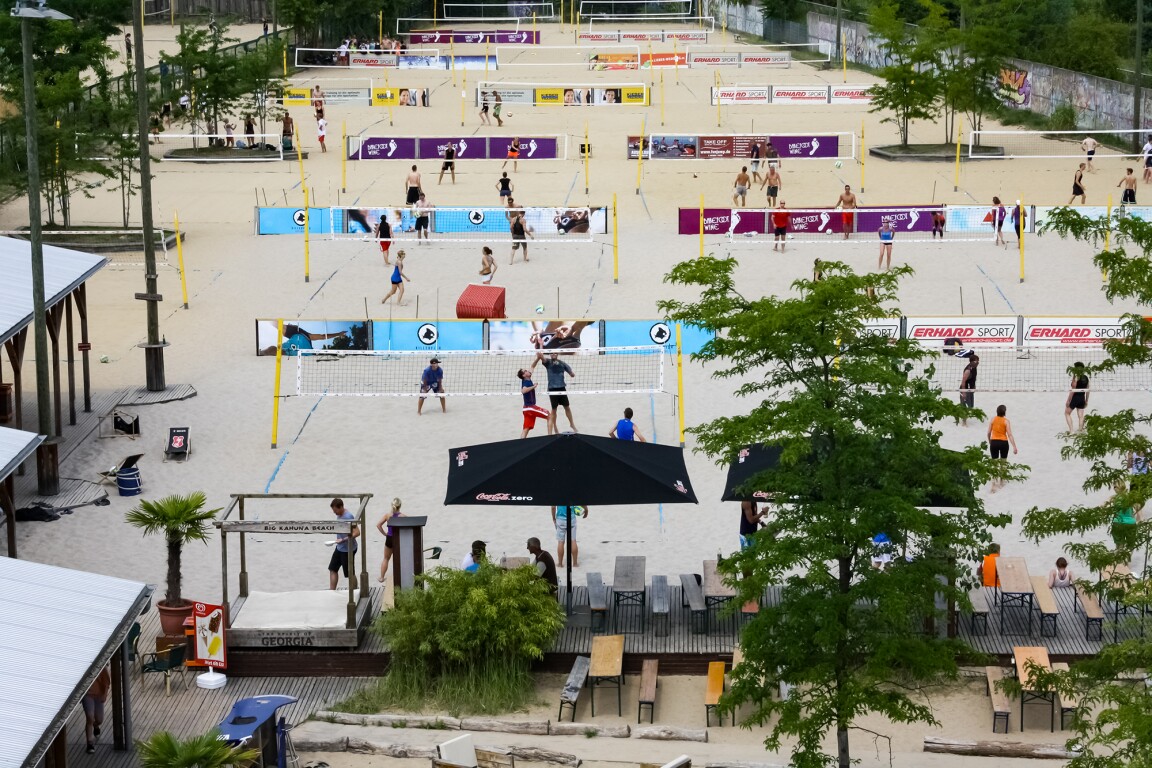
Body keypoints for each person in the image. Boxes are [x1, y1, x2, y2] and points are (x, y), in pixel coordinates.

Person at [535, 351, 576, 434]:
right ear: (550, 354)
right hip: (552, 389)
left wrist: (571, 374)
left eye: (555, 353)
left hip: (562, 388)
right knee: (554, 409)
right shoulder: (548, 362)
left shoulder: (562, 363)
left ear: (557, 354)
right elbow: (542, 358)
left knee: (567, 407)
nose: (553, 354)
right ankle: (555, 427)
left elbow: (572, 374)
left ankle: (572, 424)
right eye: (552, 353)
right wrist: (540, 354)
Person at [328, 497, 360, 590]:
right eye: (333, 511)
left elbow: (357, 532)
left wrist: (343, 539)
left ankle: (355, 590)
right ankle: (331, 591)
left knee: (350, 573)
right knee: (332, 569)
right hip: (339, 547)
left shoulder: (348, 516)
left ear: (341, 507)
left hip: (348, 549)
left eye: (335, 511)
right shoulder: (339, 515)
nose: (334, 513)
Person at [986, 404, 1017, 492]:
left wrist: (990, 441)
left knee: (994, 463)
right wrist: (1014, 446)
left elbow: (988, 432)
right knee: (1003, 463)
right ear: (1004, 412)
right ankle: (1002, 482)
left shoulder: (992, 419)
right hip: (1003, 443)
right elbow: (1010, 435)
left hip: (994, 442)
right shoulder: (1006, 421)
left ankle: (994, 484)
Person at [82, 665, 111, 753]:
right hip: (87, 694)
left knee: (99, 719)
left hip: (98, 695)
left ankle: (96, 725)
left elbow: (107, 682)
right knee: (90, 717)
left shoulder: (101, 666)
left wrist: (105, 695)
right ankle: (89, 743)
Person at [375, 497, 403, 582]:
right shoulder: (403, 516)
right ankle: (399, 577)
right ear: (400, 506)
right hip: (398, 539)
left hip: (389, 538)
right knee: (398, 559)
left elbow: (378, 525)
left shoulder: (387, 516)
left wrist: (384, 534)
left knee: (386, 558)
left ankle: (382, 577)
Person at [517, 368, 550, 438]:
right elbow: (523, 391)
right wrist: (534, 386)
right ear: (524, 375)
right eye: (525, 371)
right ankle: (550, 437)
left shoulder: (527, 379)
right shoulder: (526, 382)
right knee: (549, 416)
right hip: (530, 408)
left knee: (526, 429)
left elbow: (532, 367)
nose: (527, 371)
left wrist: (538, 358)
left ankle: (520, 444)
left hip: (526, 409)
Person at [1111, 480, 1142, 553]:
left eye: (1115, 487)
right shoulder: (1130, 497)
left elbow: (1102, 506)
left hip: (1118, 523)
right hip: (1130, 523)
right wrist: (1139, 517)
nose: (1114, 488)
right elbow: (1138, 506)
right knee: (1130, 546)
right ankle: (1126, 562)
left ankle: (1119, 561)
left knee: (1119, 546)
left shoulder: (1114, 497)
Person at [1065, 362, 1090, 432]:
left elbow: (1073, 390)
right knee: (1081, 416)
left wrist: (1068, 400)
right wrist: (1086, 400)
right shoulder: (1086, 378)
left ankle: (1071, 431)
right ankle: (1080, 430)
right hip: (1082, 398)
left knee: (1067, 413)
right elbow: (1088, 390)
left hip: (1075, 397)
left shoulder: (1076, 377)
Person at [960, 354, 979, 425]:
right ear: (972, 362)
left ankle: (963, 418)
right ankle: (964, 422)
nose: (978, 363)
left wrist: (974, 386)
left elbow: (974, 378)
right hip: (964, 388)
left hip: (970, 389)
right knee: (965, 406)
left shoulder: (974, 367)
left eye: (978, 361)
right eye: (976, 361)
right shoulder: (968, 371)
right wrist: (964, 392)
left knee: (971, 406)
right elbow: (963, 381)